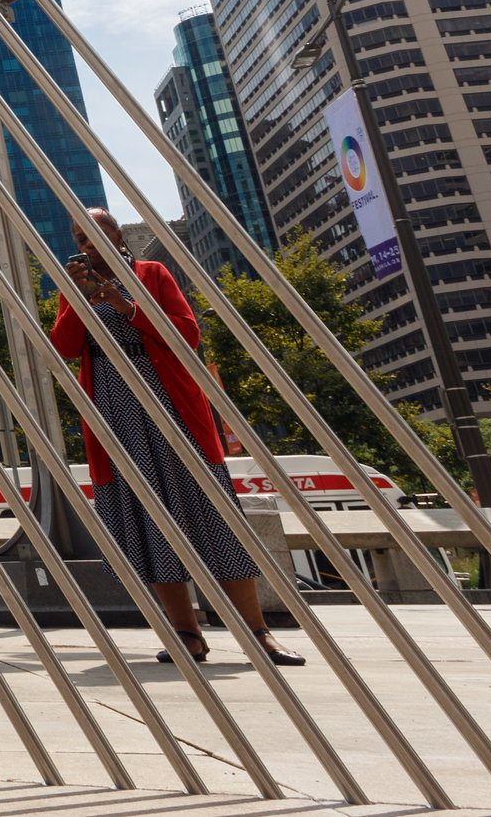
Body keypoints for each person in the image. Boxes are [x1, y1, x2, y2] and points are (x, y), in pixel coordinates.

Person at [50, 208, 303, 668]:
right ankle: (186, 634)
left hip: (172, 407)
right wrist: (82, 299)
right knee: (150, 523)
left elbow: (187, 333)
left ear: (118, 234)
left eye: (97, 233)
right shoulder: (77, 290)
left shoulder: (151, 272)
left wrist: (126, 306)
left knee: (215, 516)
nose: (89, 243)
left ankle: (258, 633)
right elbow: (64, 348)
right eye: (80, 237)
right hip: (115, 414)